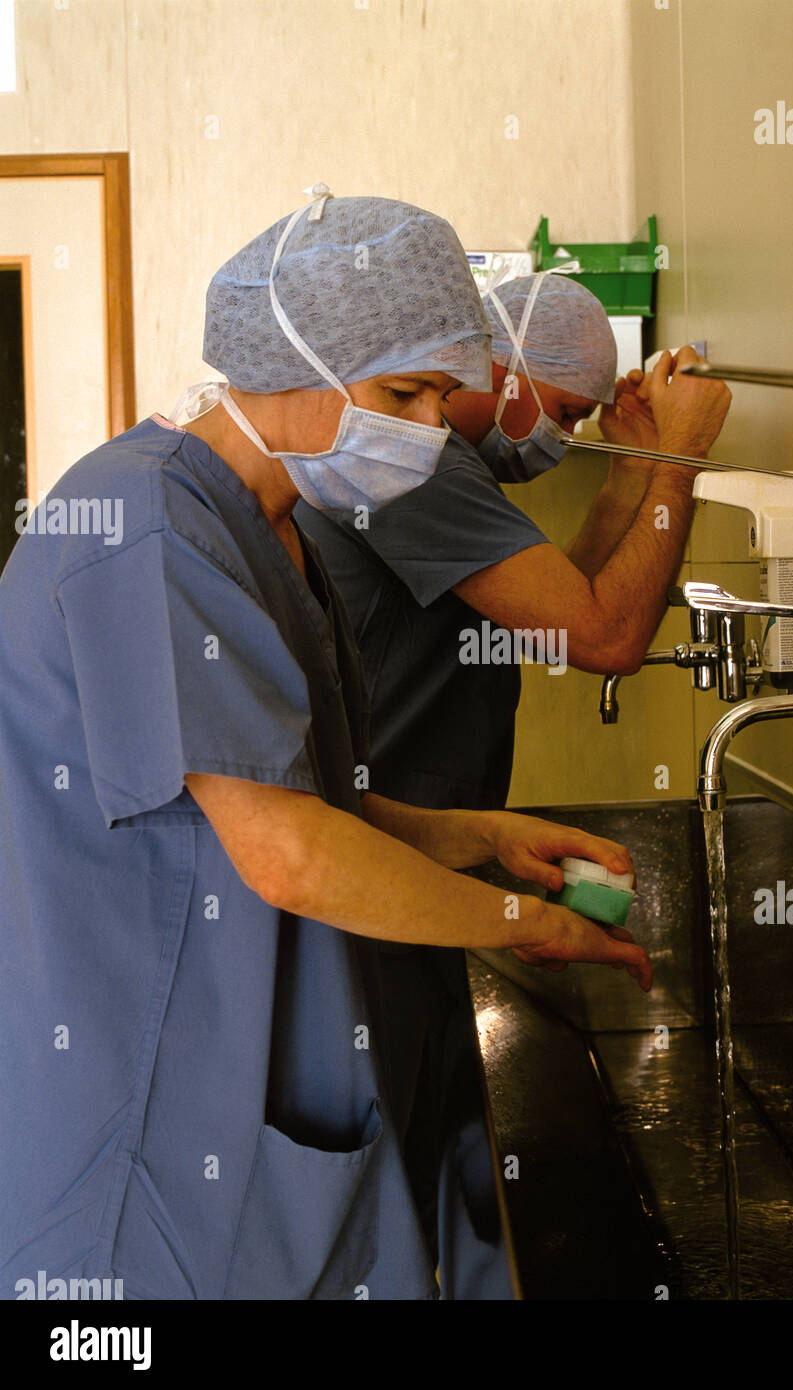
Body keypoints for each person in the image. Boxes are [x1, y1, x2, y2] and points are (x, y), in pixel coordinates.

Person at [0, 193, 652, 1303]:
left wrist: (486, 838)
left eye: (443, 394)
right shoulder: (143, 528)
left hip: (249, 1086)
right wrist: (520, 924)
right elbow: (287, 850)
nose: (433, 429)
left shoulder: (277, 529)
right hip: (140, 1129)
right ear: (288, 363)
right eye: (404, 394)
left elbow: (318, 796)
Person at [294, 271, 731, 1297]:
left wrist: (630, 475)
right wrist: (675, 460)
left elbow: (539, 603)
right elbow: (608, 634)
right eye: (568, 413)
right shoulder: (425, 470)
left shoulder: (451, 477)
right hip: (382, 870)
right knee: (381, 1188)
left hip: (421, 854)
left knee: (427, 1178)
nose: (563, 442)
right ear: (508, 367)